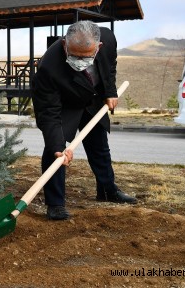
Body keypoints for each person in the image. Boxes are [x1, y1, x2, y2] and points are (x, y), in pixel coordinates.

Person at [31, 20, 137, 221]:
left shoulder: (108, 39)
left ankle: (107, 190)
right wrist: (56, 144)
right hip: (64, 105)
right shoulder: (48, 68)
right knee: (56, 152)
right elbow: (48, 111)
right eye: (74, 56)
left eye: (85, 56)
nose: (79, 61)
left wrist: (110, 92)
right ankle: (55, 204)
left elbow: (110, 67)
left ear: (98, 47)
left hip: (93, 99)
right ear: (65, 45)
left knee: (100, 147)